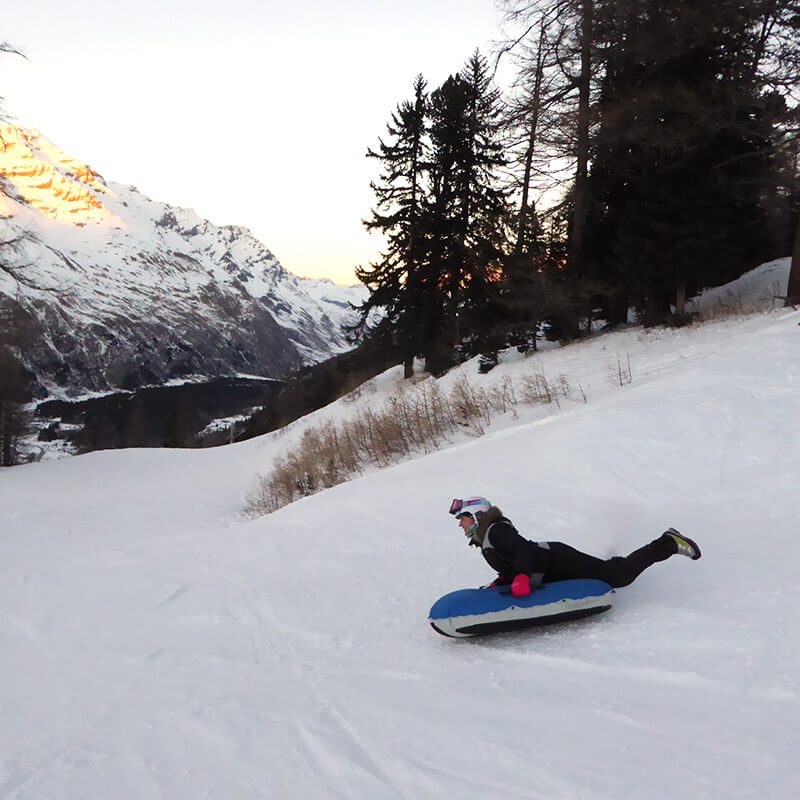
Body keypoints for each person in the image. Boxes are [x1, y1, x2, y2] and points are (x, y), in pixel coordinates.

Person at [449, 496, 701, 597]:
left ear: (477, 515)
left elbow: (523, 550)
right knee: (610, 570)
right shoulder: (487, 540)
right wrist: (502, 581)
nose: (461, 525)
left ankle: (668, 542)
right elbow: (512, 562)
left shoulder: (496, 530)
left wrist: (523, 575)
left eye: (463, 518)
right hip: (550, 566)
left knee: (618, 576)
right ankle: (610, 558)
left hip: (557, 560)